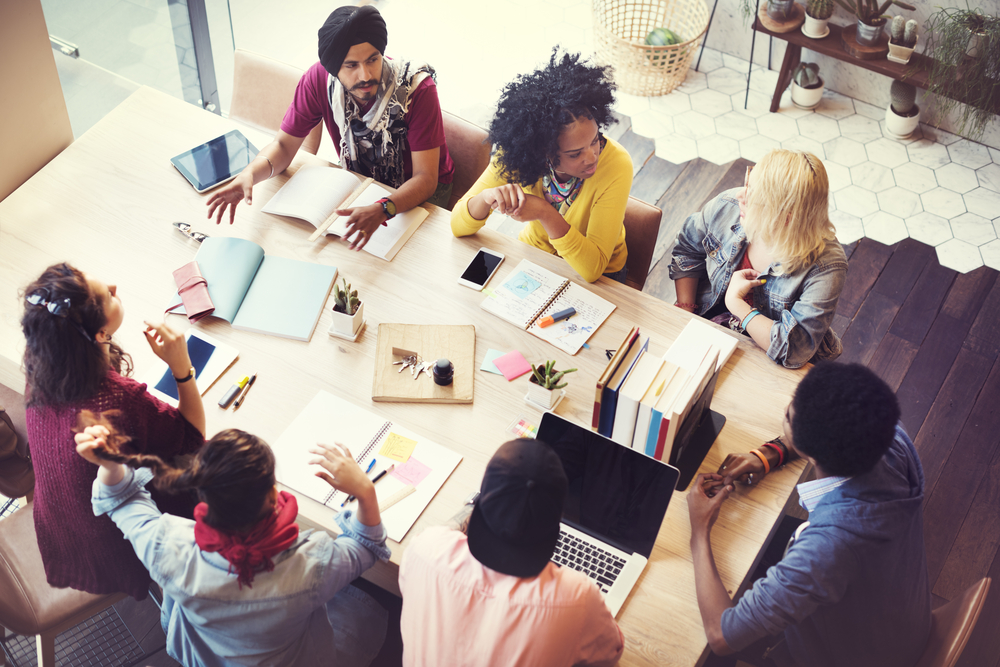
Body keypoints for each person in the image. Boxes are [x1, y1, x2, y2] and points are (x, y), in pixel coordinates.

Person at [74, 421, 391, 667]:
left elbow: (121, 500)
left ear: (204, 499)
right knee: (367, 615)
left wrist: (111, 465)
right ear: (271, 495)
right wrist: (364, 490)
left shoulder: (167, 548)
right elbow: (365, 545)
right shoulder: (312, 566)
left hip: (208, 658)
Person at [687, 363, 931, 667]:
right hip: (897, 623)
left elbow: (721, 636)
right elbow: (817, 435)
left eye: (790, 413)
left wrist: (699, 530)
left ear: (813, 452)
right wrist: (768, 454)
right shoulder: (891, 438)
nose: (789, 407)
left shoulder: (827, 550)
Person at [21, 262, 205, 599]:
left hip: (59, 525)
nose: (116, 287)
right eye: (107, 295)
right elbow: (192, 437)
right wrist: (181, 368)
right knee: (212, 473)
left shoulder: (41, 358)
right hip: (114, 543)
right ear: (100, 335)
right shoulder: (118, 398)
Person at [207, 5, 454, 252]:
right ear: (333, 67)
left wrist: (383, 208)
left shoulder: (418, 89)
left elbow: (427, 179)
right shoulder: (318, 80)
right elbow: (283, 146)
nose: (365, 75)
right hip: (363, 184)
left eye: (373, 59)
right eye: (351, 65)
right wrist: (251, 173)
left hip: (423, 193)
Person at [398, 438, 624, 666]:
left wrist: (474, 505)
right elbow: (611, 652)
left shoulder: (423, 550)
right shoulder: (577, 597)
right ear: (556, 521)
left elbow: (440, 535)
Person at [451, 50, 633, 284]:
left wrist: (544, 213)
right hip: (536, 256)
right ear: (543, 151)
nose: (592, 157)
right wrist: (486, 198)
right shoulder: (519, 154)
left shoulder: (617, 164)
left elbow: (593, 268)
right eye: (575, 153)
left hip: (605, 276)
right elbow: (457, 225)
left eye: (595, 139)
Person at [669, 149, 847, 368]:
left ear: (785, 218)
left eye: (754, 196)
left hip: (771, 356)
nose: (739, 196)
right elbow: (687, 249)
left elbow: (795, 350)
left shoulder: (827, 267)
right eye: (748, 184)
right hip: (709, 321)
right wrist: (686, 310)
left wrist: (737, 305)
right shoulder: (728, 207)